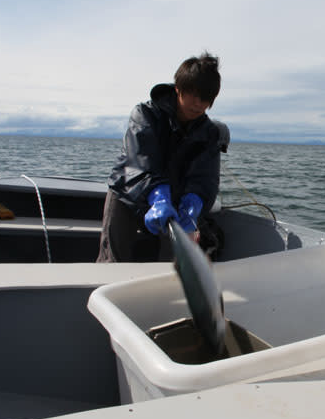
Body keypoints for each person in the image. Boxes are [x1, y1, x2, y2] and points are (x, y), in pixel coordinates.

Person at [97, 52, 230, 263]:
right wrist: (158, 197)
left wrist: (194, 202)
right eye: (192, 94)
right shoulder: (145, 115)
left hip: (175, 204)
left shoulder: (210, 133)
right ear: (178, 88)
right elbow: (140, 163)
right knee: (113, 259)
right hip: (127, 195)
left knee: (172, 265)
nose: (198, 103)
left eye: (205, 98)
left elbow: (205, 178)